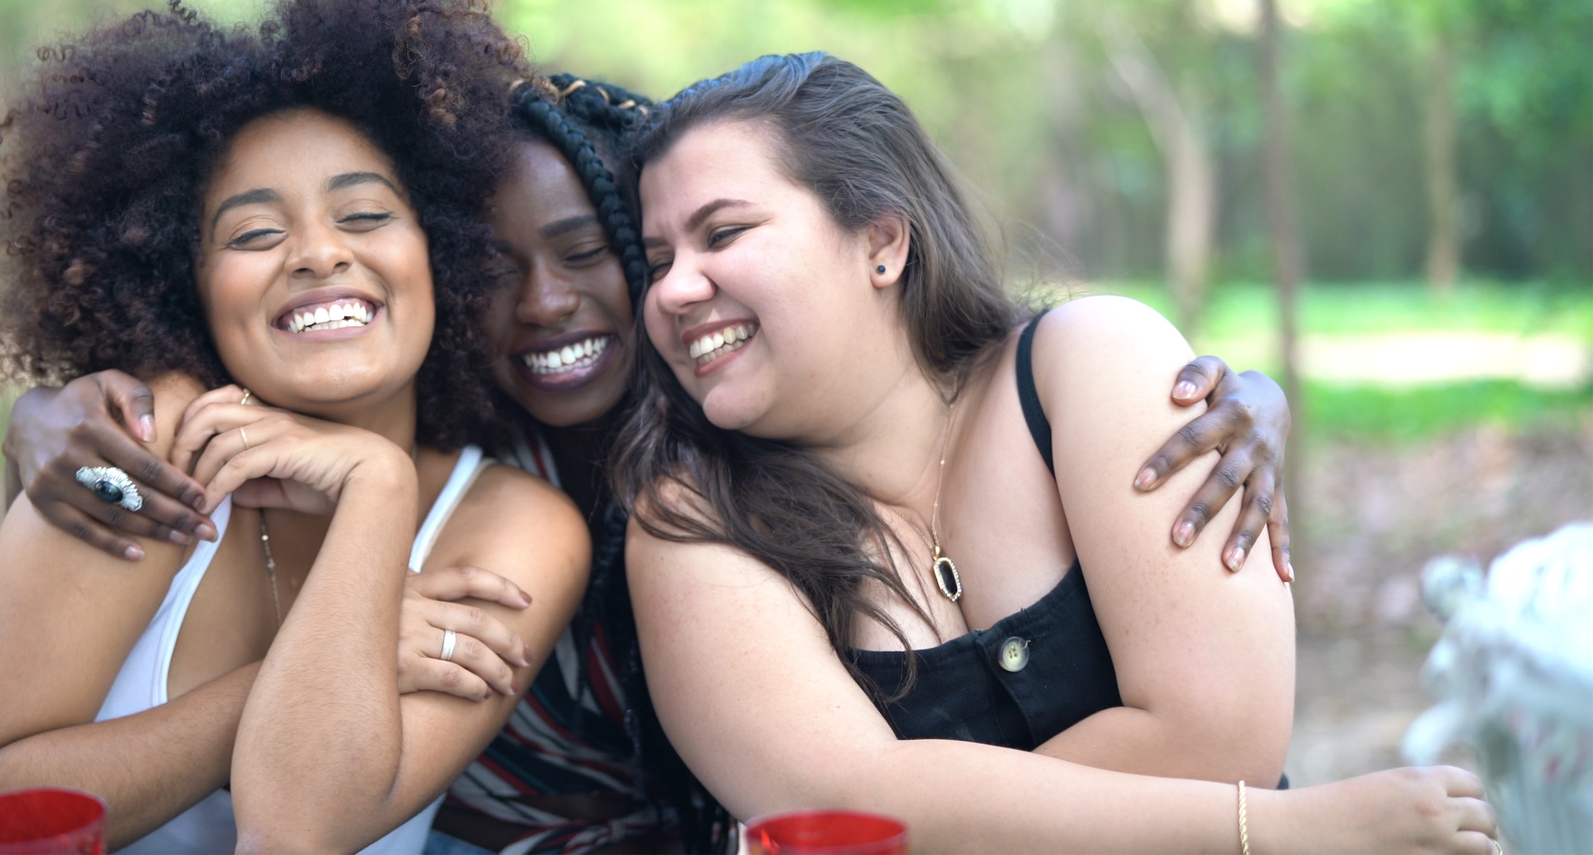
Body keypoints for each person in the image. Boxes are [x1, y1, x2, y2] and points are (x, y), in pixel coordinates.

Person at [7, 68, 1300, 853]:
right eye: (495, 267)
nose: (544, 302)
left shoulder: (766, 438)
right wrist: (49, 413)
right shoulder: (504, 483)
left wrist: (1233, 397)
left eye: (588, 250)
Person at [613, 52, 1499, 852]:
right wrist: (1275, 828)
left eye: (723, 234)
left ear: (881, 242)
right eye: (657, 259)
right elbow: (849, 817)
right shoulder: (693, 524)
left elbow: (1223, 733)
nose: (677, 289)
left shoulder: (1086, 364)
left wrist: (938, 814)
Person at [0, 0, 590, 854]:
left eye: (366, 216)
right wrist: (295, 673)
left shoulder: (513, 530)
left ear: (442, 253)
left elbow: (297, 832)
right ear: (187, 283)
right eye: (255, 232)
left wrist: (373, 484)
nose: (320, 254)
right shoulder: (139, 449)